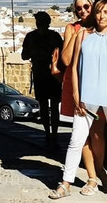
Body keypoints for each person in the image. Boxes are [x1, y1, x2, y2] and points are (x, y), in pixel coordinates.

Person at [50, 0, 107, 202]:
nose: (101, 16)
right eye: (98, 12)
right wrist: (76, 95)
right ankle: (66, 182)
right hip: (87, 97)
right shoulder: (83, 35)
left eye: (106, 12)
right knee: (76, 140)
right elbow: (75, 66)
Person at [58, 0, 106, 191]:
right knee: (82, 135)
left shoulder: (102, 28)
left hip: (98, 85)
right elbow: (66, 60)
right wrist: (77, 35)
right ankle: (92, 177)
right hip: (77, 86)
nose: (83, 11)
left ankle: (100, 168)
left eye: (86, 7)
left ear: (93, 6)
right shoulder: (73, 28)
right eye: (79, 8)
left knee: (97, 133)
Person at [22, 11, 63, 147]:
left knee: (45, 107)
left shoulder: (31, 37)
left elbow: (24, 56)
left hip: (42, 75)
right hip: (52, 75)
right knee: (52, 106)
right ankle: (53, 134)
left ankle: (49, 134)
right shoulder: (55, 36)